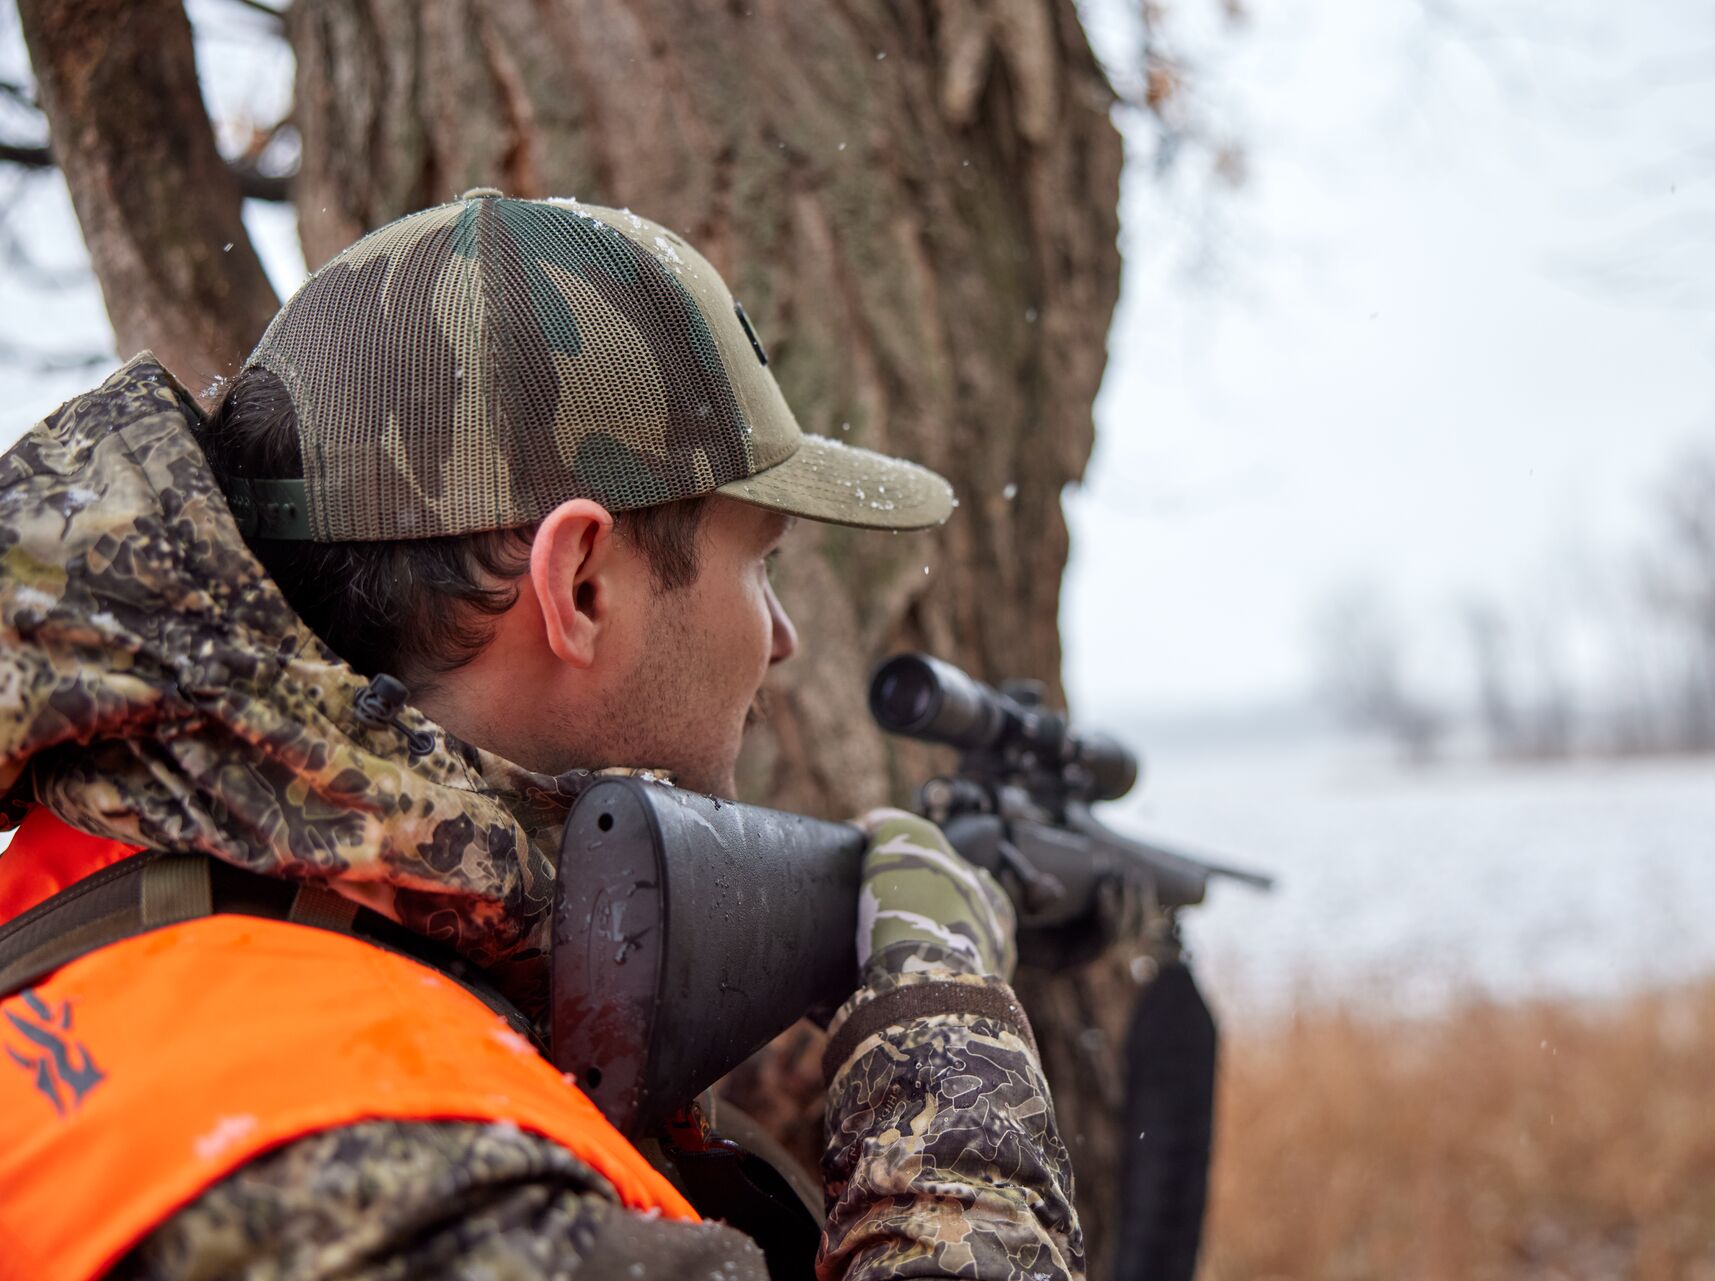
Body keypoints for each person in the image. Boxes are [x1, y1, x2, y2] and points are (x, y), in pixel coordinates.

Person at [0, 189, 1083, 1281]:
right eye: (763, 562)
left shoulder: (125, 902)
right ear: (582, 585)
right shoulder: (393, 1168)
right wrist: (945, 1037)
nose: (785, 638)